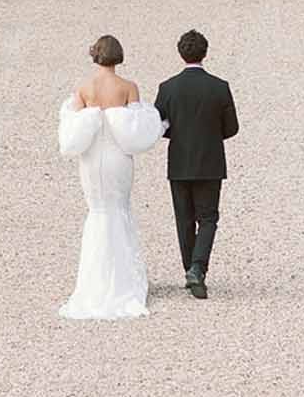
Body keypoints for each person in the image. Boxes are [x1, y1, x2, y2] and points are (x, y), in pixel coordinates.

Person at [58, 35, 163, 319]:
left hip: (91, 159)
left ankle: (93, 281)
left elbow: (74, 129)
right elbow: (137, 130)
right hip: (118, 158)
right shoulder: (128, 87)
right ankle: (123, 279)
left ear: (95, 56)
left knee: (97, 211)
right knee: (119, 210)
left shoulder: (83, 88)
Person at [155, 31, 239, 300]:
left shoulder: (167, 88)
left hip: (179, 161)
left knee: (184, 219)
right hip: (210, 161)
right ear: (205, 53)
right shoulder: (220, 87)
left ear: (181, 53)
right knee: (208, 218)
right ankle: (198, 268)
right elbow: (232, 127)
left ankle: (189, 268)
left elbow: (157, 126)